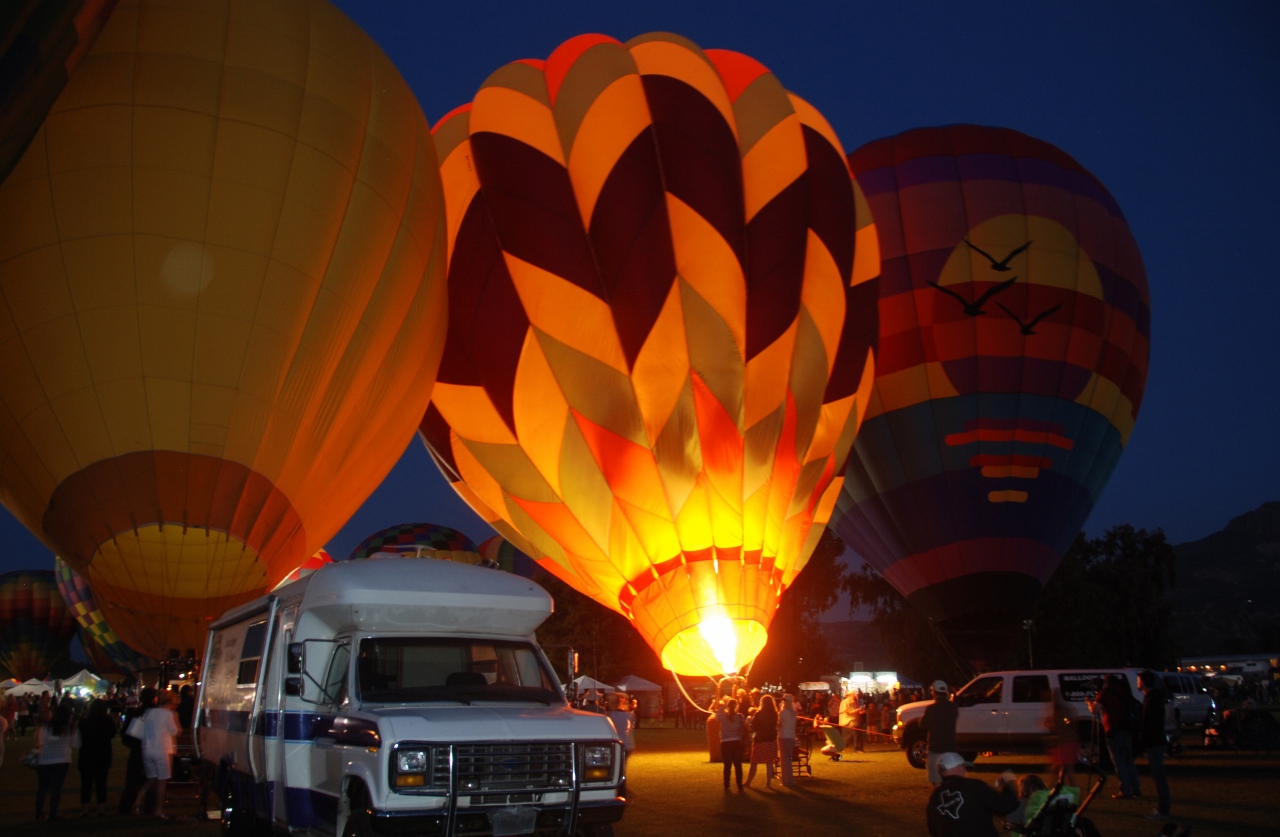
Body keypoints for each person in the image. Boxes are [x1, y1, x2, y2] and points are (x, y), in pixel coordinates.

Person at [926, 752, 1019, 837]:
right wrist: (1008, 785)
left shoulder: (934, 798)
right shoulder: (975, 786)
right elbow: (1005, 806)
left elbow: (933, 830)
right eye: (964, 767)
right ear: (959, 767)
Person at [1088, 674, 1140, 799]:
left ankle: (1125, 790)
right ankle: (1136, 789)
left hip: (1113, 731)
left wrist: (1089, 702)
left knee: (1119, 761)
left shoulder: (1105, 693)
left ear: (1106, 683)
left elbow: (1095, 710)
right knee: (1129, 761)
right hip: (1126, 729)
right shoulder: (1123, 692)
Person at [135, 690, 180, 818]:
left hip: (147, 748)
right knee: (162, 781)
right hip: (162, 749)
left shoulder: (148, 712)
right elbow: (175, 731)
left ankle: (137, 801)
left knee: (150, 779)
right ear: (170, 702)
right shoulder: (168, 714)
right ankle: (159, 810)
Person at [35, 703, 80, 820]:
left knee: (43, 788)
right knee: (56, 788)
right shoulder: (69, 728)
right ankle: (53, 812)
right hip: (62, 760)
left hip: (45, 760)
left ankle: (39, 812)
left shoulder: (45, 727)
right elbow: (76, 744)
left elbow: (40, 742)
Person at [1137, 670, 1172, 819]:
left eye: (1139, 680)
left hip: (1154, 742)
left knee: (1159, 776)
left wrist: (1143, 739)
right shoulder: (1152, 698)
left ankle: (1163, 809)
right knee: (1157, 776)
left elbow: (1151, 723)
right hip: (1155, 741)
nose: (1137, 682)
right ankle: (1162, 807)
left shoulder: (1153, 699)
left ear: (1144, 682)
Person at [118, 687, 156, 814]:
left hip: (136, 750)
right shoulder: (157, 713)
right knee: (151, 780)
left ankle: (126, 806)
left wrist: (133, 745)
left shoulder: (135, 713)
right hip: (152, 749)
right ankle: (149, 806)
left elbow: (125, 734)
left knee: (132, 781)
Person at [77, 697, 116, 817]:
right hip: (103, 754)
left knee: (86, 783)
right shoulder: (107, 721)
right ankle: (101, 808)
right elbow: (112, 734)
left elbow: (79, 738)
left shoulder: (84, 722)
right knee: (101, 782)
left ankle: (85, 809)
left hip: (87, 754)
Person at [920, 680, 959, 788]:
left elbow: (922, 724)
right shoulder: (953, 707)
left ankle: (940, 798)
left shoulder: (931, 708)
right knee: (951, 782)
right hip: (951, 749)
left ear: (934, 692)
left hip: (936, 748)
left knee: (936, 781)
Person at [744, 694, 779, 788]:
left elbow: (753, 726)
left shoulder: (759, 713)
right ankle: (768, 783)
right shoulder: (774, 714)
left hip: (760, 739)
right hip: (771, 740)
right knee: (769, 762)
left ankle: (748, 782)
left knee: (754, 762)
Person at [1045, 688, 1078, 787]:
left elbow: (1058, 726)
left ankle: (1052, 787)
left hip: (1065, 743)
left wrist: (1050, 724)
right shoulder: (1063, 709)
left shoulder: (1061, 711)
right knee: (1063, 769)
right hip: (1064, 742)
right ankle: (1055, 787)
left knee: (1064, 769)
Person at [716, 698, 746, 791]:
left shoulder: (723, 717)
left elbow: (717, 715)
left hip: (725, 742)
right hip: (736, 742)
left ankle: (726, 784)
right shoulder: (740, 717)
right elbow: (742, 727)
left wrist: (724, 705)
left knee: (727, 765)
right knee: (738, 765)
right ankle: (739, 784)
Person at [778, 693, 798, 787]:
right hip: (791, 736)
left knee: (784, 760)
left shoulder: (783, 712)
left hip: (783, 736)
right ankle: (790, 779)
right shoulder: (794, 713)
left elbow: (780, 724)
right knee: (788, 759)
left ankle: (786, 780)